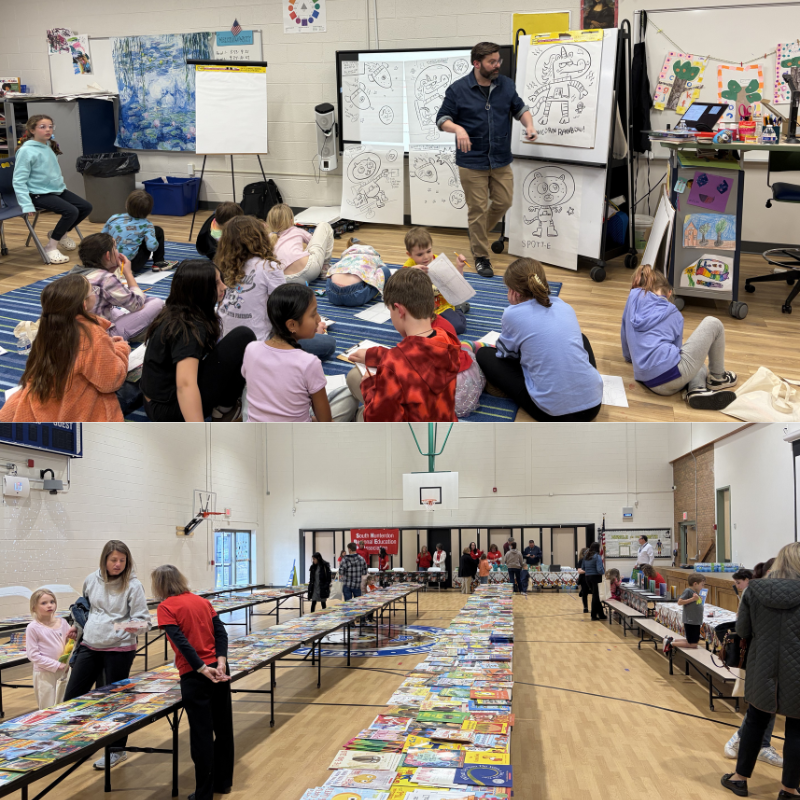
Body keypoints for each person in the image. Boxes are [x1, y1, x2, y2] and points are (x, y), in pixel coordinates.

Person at [436, 43, 538, 278]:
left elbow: (520, 108)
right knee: (478, 209)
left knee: (503, 202)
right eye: (492, 62)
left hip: (500, 159)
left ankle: (476, 233)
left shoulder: (506, 85)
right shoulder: (458, 89)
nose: (497, 65)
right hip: (472, 161)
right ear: (477, 63)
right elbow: (442, 119)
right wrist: (458, 129)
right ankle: (481, 256)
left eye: (498, 61)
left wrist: (529, 124)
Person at [476, 258, 603, 421]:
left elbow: (505, 354)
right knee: (581, 338)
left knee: (484, 354)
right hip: (593, 406)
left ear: (514, 292)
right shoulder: (564, 305)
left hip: (552, 414)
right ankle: (584, 385)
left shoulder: (512, 314)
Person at [721, 543, 800, 798]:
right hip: (797, 668)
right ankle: (789, 789)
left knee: (755, 721)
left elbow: (742, 630)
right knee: (797, 729)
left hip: (761, 665)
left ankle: (740, 779)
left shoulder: (754, 589)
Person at [64, 540, 150, 769]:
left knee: (116, 702)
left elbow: (144, 622)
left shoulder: (133, 585)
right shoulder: (91, 579)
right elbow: (85, 608)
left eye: (122, 560)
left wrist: (124, 627)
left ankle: (116, 750)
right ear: (104, 560)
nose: (118, 564)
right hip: (90, 645)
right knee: (73, 697)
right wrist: (78, 627)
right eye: (114, 560)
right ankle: (76, 744)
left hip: (119, 649)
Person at [0, 274, 129, 423]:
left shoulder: (47, 326)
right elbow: (111, 381)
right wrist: (120, 348)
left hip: (44, 399)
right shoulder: (91, 333)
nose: (95, 293)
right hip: (76, 409)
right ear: (84, 305)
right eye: (92, 290)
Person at [152, 565, 233, 800]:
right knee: (223, 728)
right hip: (218, 671)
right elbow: (221, 633)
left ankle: (204, 793)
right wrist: (221, 662)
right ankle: (223, 783)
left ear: (160, 585)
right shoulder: (202, 601)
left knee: (201, 734)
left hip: (195, 674)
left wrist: (200, 668)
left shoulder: (165, 607)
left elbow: (180, 642)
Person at [141, 260, 256, 422]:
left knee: (234, 345)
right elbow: (185, 385)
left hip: (156, 400)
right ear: (200, 290)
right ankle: (224, 410)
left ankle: (224, 408)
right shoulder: (189, 326)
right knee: (243, 337)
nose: (224, 287)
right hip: (168, 409)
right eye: (216, 283)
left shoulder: (178, 310)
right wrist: (198, 432)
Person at [346, 269, 460, 422]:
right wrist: (376, 355)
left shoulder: (393, 366)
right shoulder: (447, 339)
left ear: (399, 310)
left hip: (409, 438)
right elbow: (419, 358)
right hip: (441, 426)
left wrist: (368, 386)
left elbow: (377, 419)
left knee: (360, 409)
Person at [217, 216, 335, 360]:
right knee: (328, 344)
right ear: (260, 238)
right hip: (260, 345)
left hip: (226, 343)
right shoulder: (269, 266)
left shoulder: (222, 267)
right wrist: (310, 327)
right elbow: (285, 309)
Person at [621, 263, 737, 410]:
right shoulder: (673, 312)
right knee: (713, 323)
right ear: (669, 293)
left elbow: (625, 333)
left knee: (698, 363)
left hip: (646, 379)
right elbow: (678, 351)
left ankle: (697, 390)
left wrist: (630, 358)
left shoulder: (632, 299)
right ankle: (718, 378)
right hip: (670, 379)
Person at [241, 284, 339, 422]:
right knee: (346, 396)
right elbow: (326, 421)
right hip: (297, 439)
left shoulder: (251, 349)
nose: (318, 319)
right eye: (313, 314)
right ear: (292, 325)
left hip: (257, 435)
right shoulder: (309, 363)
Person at [724, 559, 782, 767]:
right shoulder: (755, 593)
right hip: (760, 659)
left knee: (770, 706)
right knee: (762, 706)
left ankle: (759, 745)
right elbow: (743, 628)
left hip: (780, 660)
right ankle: (746, 742)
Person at [11, 114, 92, 264]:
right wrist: (26, 203)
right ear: (32, 130)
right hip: (37, 193)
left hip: (55, 189)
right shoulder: (26, 151)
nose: (48, 130)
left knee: (86, 207)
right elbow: (18, 180)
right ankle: (51, 246)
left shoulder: (48, 145)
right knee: (71, 211)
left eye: (50, 126)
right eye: (42, 127)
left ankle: (59, 234)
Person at [69, 233, 165, 341]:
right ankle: (133, 333)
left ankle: (135, 329)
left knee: (115, 309)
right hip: (101, 335)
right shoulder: (105, 278)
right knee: (157, 302)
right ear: (108, 256)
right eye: (115, 247)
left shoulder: (73, 274)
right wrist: (128, 273)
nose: (118, 251)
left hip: (77, 331)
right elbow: (137, 305)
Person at [403, 227, 469, 334]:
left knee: (458, 327)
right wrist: (411, 272)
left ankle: (459, 309)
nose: (426, 257)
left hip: (441, 306)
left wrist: (459, 267)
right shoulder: (409, 266)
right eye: (420, 254)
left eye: (428, 251)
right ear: (409, 255)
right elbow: (398, 287)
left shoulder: (439, 261)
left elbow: (456, 284)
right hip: (421, 309)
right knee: (408, 327)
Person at [102, 190, 173, 273]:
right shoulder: (147, 224)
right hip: (133, 264)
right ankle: (159, 262)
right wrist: (150, 238)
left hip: (111, 261)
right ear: (149, 210)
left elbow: (102, 236)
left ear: (126, 205)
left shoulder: (114, 218)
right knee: (158, 230)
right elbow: (152, 247)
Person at [265, 204, 334, 285]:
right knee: (324, 225)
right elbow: (313, 242)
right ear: (291, 221)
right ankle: (324, 268)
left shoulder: (268, 239)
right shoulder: (295, 230)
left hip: (283, 280)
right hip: (309, 271)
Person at [25, 589, 71, 709]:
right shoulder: (33, 627)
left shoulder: (63, 623)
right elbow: (33, 655)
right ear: (34, 607)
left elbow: (71, 644)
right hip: (44, 673)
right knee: (48, 707)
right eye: (44, 603)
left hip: (64, 670)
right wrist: (56, 665)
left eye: (52, 601)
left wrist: (66, 663)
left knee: (64, 704)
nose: (49, 605)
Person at [325, 240, 393, 307]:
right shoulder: (374, 257)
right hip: (355, 297)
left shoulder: (346, 256)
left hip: (331, 293)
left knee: (333, 272)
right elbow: (384, 272)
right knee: (385, 271)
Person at [663, 572, 705, 651]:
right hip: (690, 621)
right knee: (692, 644)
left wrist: (698, 600)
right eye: (702, 585)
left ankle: (671, 640)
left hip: (695, 621)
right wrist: (693, 599)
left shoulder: (695, 593)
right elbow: (680, 602)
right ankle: (670, 644)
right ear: (695, 584)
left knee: (692, 641)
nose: (703, 587)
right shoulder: (688, 591)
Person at [577, 542, 607, 620]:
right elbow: (599, 569)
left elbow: (583, 568)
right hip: (596, 577)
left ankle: (601, 614)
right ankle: (593, 615)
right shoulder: (597, 556)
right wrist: (604, 574)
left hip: (587, 578)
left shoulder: (586, 556)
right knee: (596, 596)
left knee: (596, 595)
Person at [577, 547, 590, 613]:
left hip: (590, 578)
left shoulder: (590, 560)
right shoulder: (581, 560)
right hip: (584, 579)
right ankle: (585, 607)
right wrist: (587, 570)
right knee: (585, 594)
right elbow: (579, 570)